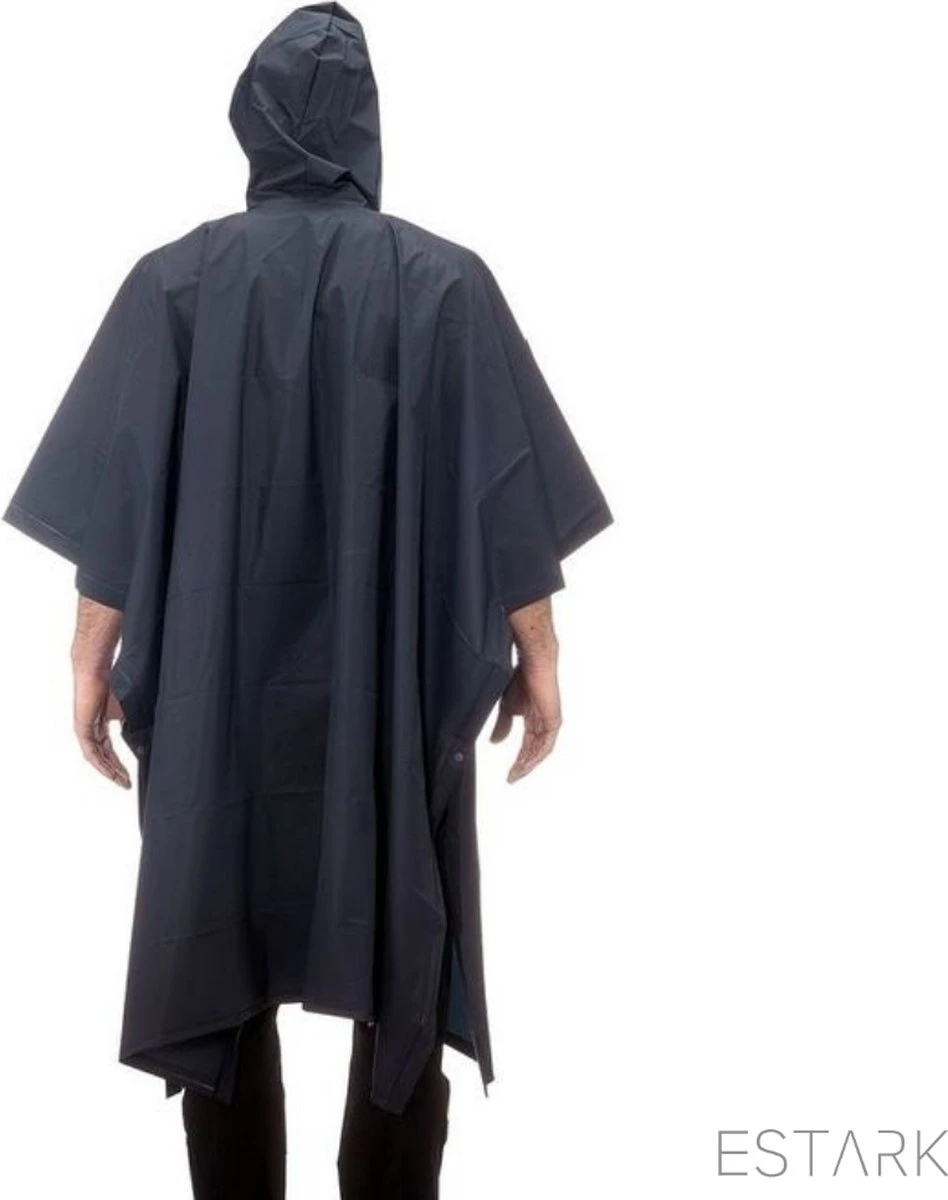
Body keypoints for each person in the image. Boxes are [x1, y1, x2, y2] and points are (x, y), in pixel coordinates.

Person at [3, 4, 613, 1197]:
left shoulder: (174, 282)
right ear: (367, 125)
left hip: (216, 681)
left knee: (215, 911)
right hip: (395, 680)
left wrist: (86, 658)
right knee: (404, 908)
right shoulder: (445, 283)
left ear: (251, 117)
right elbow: (507, 497)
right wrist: (541, 654)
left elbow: (116, 502)